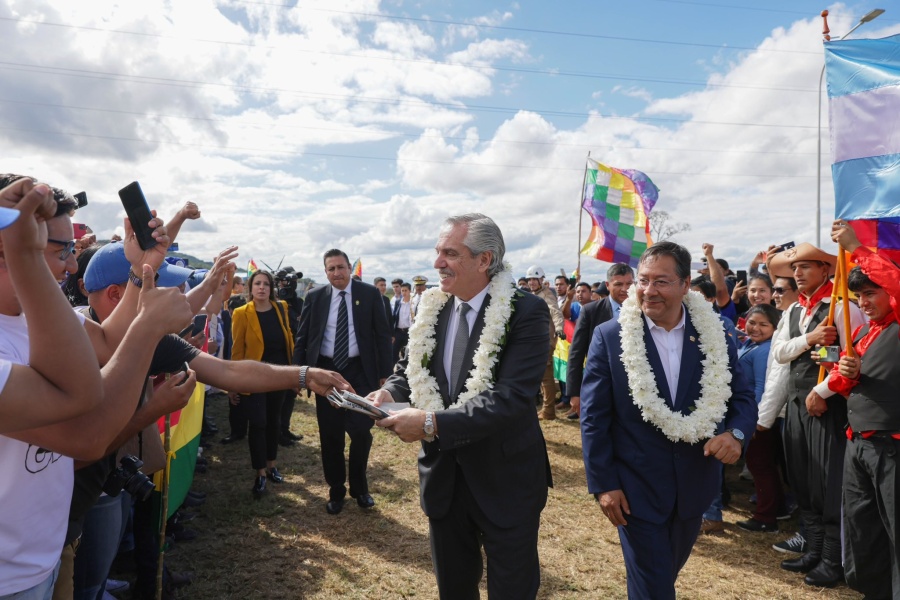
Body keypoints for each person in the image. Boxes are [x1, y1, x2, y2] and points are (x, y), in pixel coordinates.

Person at [369, 213, 552, 599]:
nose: (437, 263)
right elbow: (411, 368)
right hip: (445, 481)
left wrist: (432, 423)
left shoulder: (526, 311)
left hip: (506, 480)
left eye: (450, 253)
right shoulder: (433, 306)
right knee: (453, 589)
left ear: (484, 260)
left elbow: (512, 397)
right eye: (438, 252)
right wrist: (391, 392)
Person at [580, 241, 756, 599]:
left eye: (661, 281)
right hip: (635, 489)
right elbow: (594, 417)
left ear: (685, 284)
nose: (648, 291)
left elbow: (741, 398)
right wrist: (603, 483)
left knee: (660, 577)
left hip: (695, 486)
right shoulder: (611, 336)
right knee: (655, 585)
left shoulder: (716, 333)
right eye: (642, 280)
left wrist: (735, 435)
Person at [766, 242, 865, 587]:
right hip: (796, 403)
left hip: (827, 405)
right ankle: (813, 548)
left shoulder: (841, 306)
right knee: (803, 479)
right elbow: (779, 353)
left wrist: (824, 387)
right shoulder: (795, 311)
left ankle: (833, 559)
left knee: (828, 482)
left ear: (826, 270)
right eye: (794, 268)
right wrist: (811, 339)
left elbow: (853, 355)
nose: (797, 273)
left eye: (806, 267)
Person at [826, 220, 900, 598]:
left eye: (871, 294)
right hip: (858, 446)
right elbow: (843, 385)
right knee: (862, 528)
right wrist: (845, 373)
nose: (864, 304)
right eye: (858, 299)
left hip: (892, 448)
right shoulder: (862, 333)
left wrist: (856, 247)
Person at [294, 249, 392, 514]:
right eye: (331, 269)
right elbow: (303, 338)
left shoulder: (370, 295)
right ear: (325, 272)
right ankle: (336, 489)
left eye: (340, 267)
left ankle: (360, 489)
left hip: (360, 372)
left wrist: (385, 372)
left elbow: (382, 335)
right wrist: (298, 373)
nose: (336, 273)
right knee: (331, 435)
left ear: (350, 268)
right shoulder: (315, 297)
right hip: (326, 373)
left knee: (361, 431)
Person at [231, 270, 296, 498]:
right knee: (258, 423)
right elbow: (237, 350)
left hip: (279, 376)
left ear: (271, 288)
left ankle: (271, 465)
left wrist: (295, 374)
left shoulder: (281, 308)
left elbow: (288, 340)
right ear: (250, 288)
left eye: (266, 284)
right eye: (257, 283)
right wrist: (233, 383)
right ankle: (259, 473)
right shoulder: (241, 313)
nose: (262, 288)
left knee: (273, 422)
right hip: (254, 377)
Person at [733, 303, 785, 533]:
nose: (756, 328)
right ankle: (775, 509)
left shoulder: (765, 350)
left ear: (775, 327)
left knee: (761, 466)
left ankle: (765, 517)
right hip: (752, 415)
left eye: (764, 324)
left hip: (757, 419)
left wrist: (752, 420)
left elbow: (761, 388)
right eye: (752, 323)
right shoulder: (753, 344)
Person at [567, 263, 634, 418]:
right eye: (618, 284)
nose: (625, 289)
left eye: (629, 284)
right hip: (600, 385)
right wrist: (575, 393)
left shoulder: (644, 310)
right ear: (607, 285)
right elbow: (576, 353)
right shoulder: (591, 311)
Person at [526, 265, 564, 420]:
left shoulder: (547, 295)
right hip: (537, 340)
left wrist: (560, 328)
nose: (532, 282)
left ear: (542, 280)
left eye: (535, 279)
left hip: (545, 340)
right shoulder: (535, 294)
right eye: (530, 279)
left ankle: (548, 411)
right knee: (542, 376)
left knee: (546, 377)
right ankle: (546, 409)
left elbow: (555, 311)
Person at [391, 282, 413, 365]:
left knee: (408, 354)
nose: (404, 293)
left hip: (408, 332)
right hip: (398, 332)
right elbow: (394, 317)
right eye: (402, 290)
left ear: (410, 291)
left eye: (405, 290)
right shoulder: (398, 302)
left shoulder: (413, 303)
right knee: (393, 353)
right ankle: (393, 371)